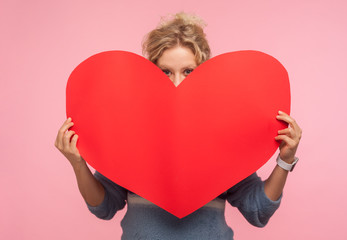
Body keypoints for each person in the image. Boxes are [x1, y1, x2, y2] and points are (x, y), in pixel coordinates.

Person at [55, 12, 302, 239]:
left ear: (204, 73)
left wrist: (285, 160)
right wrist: (78, 163)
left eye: (188, 71)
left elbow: (258, 211)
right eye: (165, 72)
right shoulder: (131, 132)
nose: (177, 82)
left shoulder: (225, 133)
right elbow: (105, 208)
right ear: (149, 74)